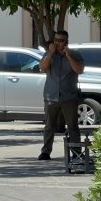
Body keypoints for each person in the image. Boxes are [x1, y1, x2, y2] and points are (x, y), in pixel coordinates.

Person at [38, 30, 85, 160]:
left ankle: (76, 153)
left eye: (61, 40)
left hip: (69, 96)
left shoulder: (75, 54)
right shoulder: (49, 55)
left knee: (72, 126)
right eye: (56, 40)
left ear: (67, 41)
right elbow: (43, 68)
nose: (59, 43)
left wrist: (68, 55)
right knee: (49, 126)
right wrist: (51, 53)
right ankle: (45, 152)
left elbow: (79, 70)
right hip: (51, 95)